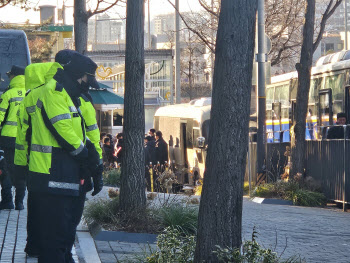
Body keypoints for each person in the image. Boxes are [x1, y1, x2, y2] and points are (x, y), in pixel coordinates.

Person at [24, 52, 102, 262]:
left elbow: (84, 133)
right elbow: (65, 133)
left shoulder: (71, 95)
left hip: (64, 174)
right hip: (53, 174)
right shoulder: (54, 92)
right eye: (86, 78)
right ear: (77, 74)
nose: (87, 84)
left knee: (65, 234)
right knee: (55, 237)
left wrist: (95, 164)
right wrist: (89, 161)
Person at [0, 65, 26, 210]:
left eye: (10, 75)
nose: (8, 77)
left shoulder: (8, 94)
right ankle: (20, 203)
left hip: (8, 138)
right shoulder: (30, 93)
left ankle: (7, 201)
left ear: (14, 76)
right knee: (21, 169)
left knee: (6, 169)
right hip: (26, 139)